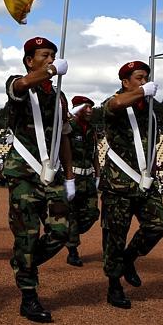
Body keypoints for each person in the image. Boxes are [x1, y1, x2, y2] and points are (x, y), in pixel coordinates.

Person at [3, 36, 74, 323]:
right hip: (24, 174)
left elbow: (65, 136)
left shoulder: (58, 96)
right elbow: (19, 87)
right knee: (28, 234)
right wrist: (50, 72)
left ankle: (24, 261)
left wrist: (70, 176)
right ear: (29, 61)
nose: (50, 59)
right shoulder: (18, 84)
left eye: (53, 55)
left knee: (61, 233)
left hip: (53, 173)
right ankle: (29, 296)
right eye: (44, 55)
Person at [101, 61, 163, 309]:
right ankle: (114, 285)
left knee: (158, 225)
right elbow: (115, 105)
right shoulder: (116, 102)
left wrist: (144, 97)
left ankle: (129, 259)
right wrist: (142, 91)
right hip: (118, 183)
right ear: (125, 82)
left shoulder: (148, 109)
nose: (143, 81)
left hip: (144, 182)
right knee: (114, 236)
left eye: (146, 78)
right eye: (139, 78)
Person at [64, 95, 100, 267]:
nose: (89, 110)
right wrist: (68, 178)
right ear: (77, 108)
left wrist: (98, 175)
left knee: (92, 213)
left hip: (88, 178)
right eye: (86, 107)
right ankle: (72, 251)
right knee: (72, 213)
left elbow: (95, 154)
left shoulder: (92, 129)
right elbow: (64, 153)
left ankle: (69, 232)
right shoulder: (69, 127)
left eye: (91, 107)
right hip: (73, 177)